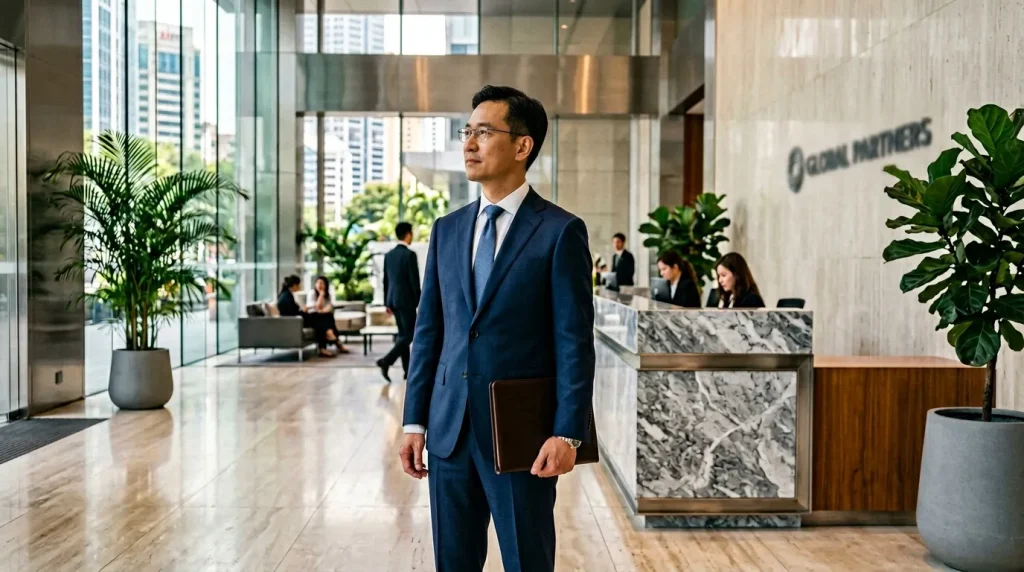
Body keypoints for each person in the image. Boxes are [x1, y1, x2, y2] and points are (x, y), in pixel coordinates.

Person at [399, 85, 595, 572]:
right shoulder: (447, 229)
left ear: (522, 146)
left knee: (527, 561)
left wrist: (567, 434)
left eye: (483, 132)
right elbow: (429, 334)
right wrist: (413, 420)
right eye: (467, 132)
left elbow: (574, 343)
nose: (468, 143)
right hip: (448, 434)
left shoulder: (559, 231)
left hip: (520, 437)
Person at [377, 222, 421, 382]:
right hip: (407, 301)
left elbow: (386, 281)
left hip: (393, 301)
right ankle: (386, 361)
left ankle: (407, 371)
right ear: (408, 234)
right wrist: (420, 302)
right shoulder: (410, 255)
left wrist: (386, 302)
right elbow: (414, 282)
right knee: (409, 335)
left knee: (403, 335)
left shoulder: (389, 255)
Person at [276, 275, 343, 358]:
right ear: (294, 285)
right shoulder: (286, 297)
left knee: (325, 316)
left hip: (297, 319)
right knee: (320, 318)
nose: (300, 286)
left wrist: (303, 310)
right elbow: (291, 313)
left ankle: (326, 342)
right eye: (299, 284)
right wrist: (303, 310)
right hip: (295, 322)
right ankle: (331, 340)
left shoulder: (287, 294)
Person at [310, 276, 350, 354]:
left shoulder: (328, 295)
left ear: (326, 285)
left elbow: (329, 307)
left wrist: (323, 310)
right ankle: (337, 341)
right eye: (318, 283)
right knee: (322, 318)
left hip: (323, 316)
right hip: (312, 316)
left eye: (322, 283)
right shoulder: (312, 293)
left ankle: (328, 337)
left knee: (327, 316)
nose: (319, 285)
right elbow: (316, 307)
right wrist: (321, 295)